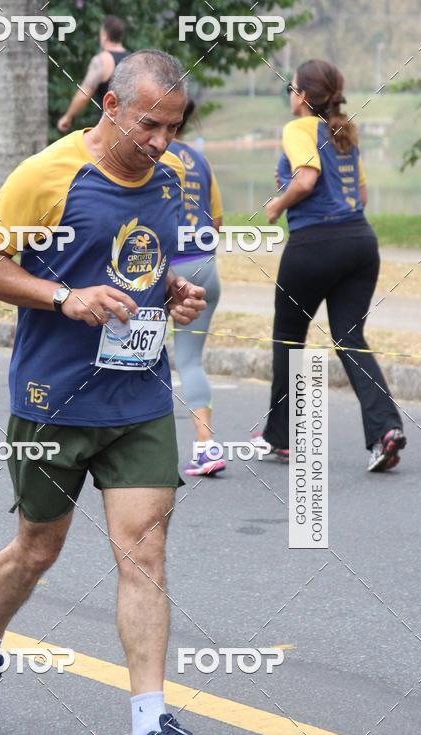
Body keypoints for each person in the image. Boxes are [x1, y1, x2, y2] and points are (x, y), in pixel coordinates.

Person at [0, 50, 224, 735]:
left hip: (136, 397)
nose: (162, 141)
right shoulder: (47, 175)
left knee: (146, 549)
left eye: (173, 126)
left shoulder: (168, 181)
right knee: (38, 551)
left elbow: (137, 265)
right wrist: (63, 298)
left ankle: (148, 732)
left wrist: (172, 294)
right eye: (148, 124)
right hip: (54, 399)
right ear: (110, 108)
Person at [254, 59, 406, 472]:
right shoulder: (343, 131)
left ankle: (280, 438)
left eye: (291, 87)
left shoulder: (298, 128)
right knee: (350, 338)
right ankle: (385, 430)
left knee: (288, 335)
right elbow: (360, 194)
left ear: (303, 96)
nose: (289, 94)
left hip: (315, 244)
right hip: (361, 243)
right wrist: (289, 185)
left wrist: (275, 204)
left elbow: (306, 179)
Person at [168, 99, 225, 476]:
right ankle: (205, 445)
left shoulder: (147, 153)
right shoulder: (198, 159)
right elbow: (216, 219)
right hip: (206, 265)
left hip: (168, 269)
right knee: (190, 359)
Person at [57, 15, 129, 133]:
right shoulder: (133, 59)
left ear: (105, 35)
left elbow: (84, 94)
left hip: (109, 129)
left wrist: (67, 117)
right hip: (130, 127)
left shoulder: (102, 60)